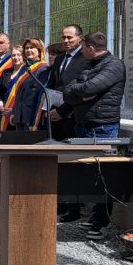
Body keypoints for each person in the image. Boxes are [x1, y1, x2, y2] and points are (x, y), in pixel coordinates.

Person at [62, 32, 126, 240]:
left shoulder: (113, 66)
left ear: (90, 47)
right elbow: (69, 90)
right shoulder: (90, 65)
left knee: (103, 175)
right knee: (87, 176)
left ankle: (101, 221)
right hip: (84, 124)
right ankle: (93, 217)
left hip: (102, 127)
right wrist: (81, 95)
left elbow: (91, 87)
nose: (80, 52)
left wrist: (79, 93)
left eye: (82, 48)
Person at [48, 25, 90, 223]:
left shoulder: (85, 60)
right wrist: (50, 110)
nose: (65, 41)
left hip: (73, 116)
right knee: (58, 161)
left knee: (73, 163)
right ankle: (61, 203)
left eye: (69, 37)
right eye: (63, 37)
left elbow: (81, 91)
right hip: (56, 115)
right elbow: (55, 86)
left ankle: (74, 208)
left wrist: (64, 111)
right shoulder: (60, 59)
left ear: (80, 38)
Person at [16, 38, 50, 131]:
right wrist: (14, 113)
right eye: (26, 48)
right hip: (20, 114)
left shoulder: (43, 68)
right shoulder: (24, 68)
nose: (28, 50)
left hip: (32, 114)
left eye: (32, 47)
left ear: (39, 50)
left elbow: (39, 93)